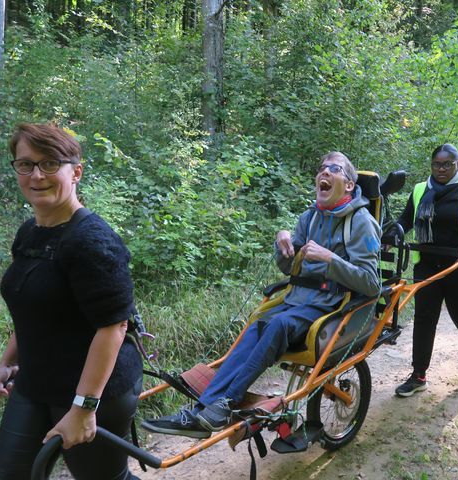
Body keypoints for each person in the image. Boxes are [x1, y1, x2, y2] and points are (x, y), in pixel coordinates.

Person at [142, 151, 381, 438]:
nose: (324, 173)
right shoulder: (309, 218)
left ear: (350, 185)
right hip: (296, 300)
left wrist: (332, 260)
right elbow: (291, 269)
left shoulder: (361, 221)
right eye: (321, 169)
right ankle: (201, 410)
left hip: (332, 306)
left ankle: (225, 404)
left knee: (278, 325)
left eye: (334, 168)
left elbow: (372, 283)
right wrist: (283, 247)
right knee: (256, 326)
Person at [0, 123, 142, 480]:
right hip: (36, 382)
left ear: (75, 172)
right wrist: (8, 360)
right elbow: (33, 310)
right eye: (25, 164)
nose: (36, 175)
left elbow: (114, 326)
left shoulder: (92, 240)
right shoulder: (30, 233)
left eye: (49, 164)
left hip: (95, 390)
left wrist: (83, 406)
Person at [394, 143, 458, 398]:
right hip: (427, 263)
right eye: (436, 164)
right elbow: (405, 220)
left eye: (446, 164)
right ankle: (419, 375)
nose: (440, 169)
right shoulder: (420, 190)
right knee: (424, 318)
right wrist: (392, 231)